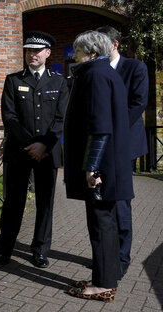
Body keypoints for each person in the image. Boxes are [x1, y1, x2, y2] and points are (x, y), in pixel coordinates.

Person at [0, 31, 68, 271]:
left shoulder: (59, 82)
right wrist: (31, 144)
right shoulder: (13, 80)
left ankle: (40, 250)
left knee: (45, 204)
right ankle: (3, 251)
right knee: (13, 203)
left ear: (48, 53)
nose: (32, 55)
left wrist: (44, 144)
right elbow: (9, 117)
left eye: (37, 51)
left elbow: (61, 119)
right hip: (19, 153)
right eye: (29, 50)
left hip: (48, 154)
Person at [64, 30, 132, 302]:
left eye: (78, 50)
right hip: (110, 163)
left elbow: (100, 127)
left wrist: (92, 168)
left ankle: (103, 285)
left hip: (102, 167)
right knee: (107, 222)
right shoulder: (104, 72)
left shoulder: (94, 75)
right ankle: (107, 276)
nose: (74, 55)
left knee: (101, 223)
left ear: (91, 52)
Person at [96, 25, 149, 278]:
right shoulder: (97, 69)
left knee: (120, 202)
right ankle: (106, 255)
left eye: (101, 44)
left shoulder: (135, 68)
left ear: (114, 44)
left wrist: (113, 130)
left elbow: (138, 103)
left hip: (124, 144)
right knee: (102, 202)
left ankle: (121, 258)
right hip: (100, 146)